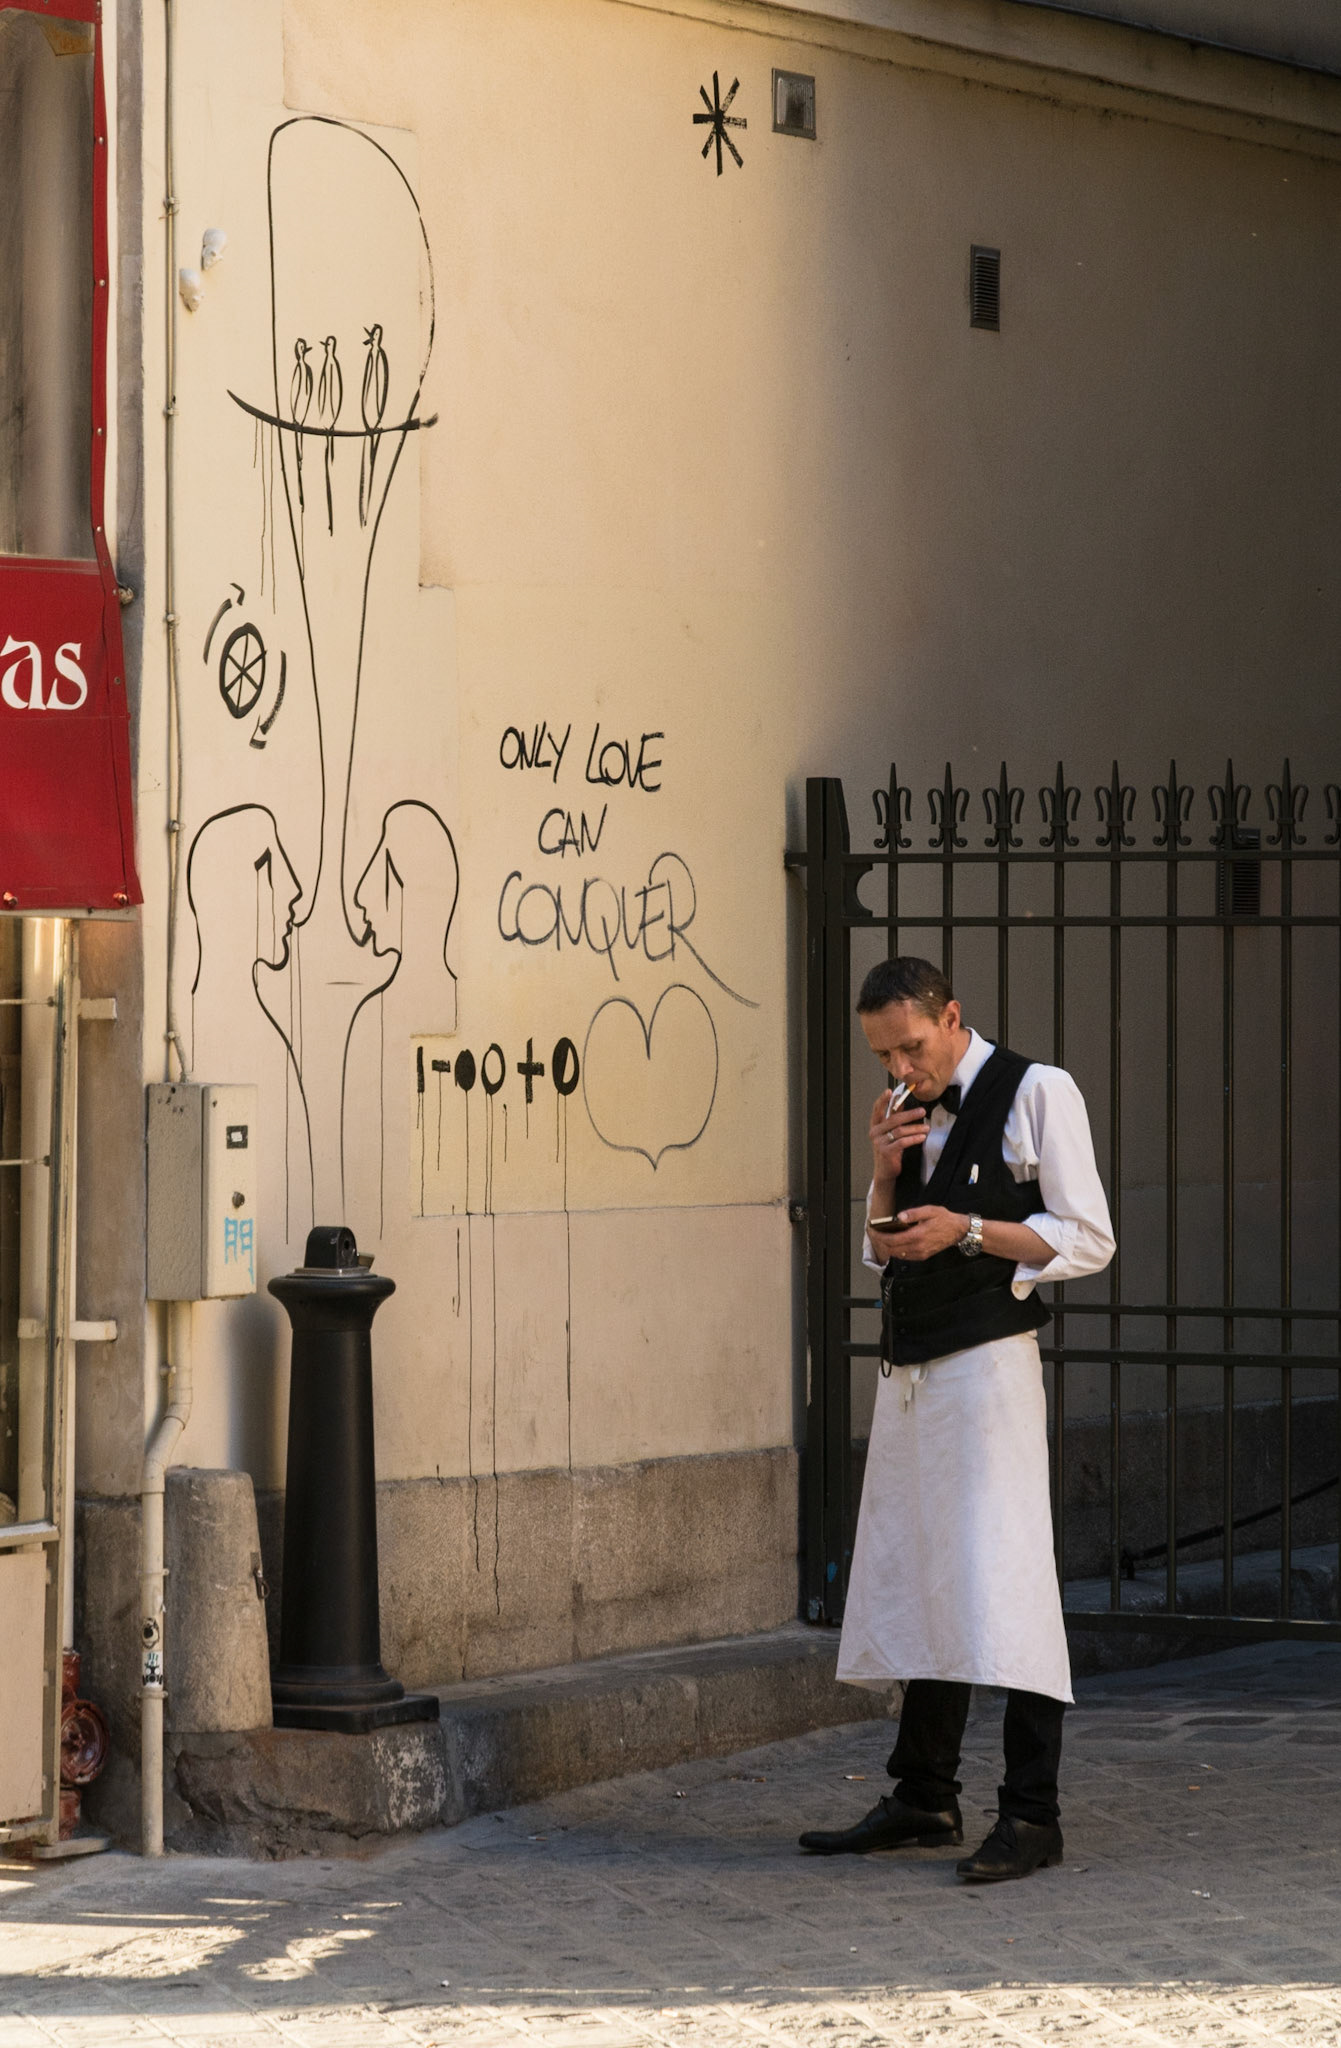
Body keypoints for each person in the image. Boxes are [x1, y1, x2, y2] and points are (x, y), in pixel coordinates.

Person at [799, 957, 1114, 1883]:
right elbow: (881, 1250)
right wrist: (882, 1171)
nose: (900, 1068)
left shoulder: (1038, 1091)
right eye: (881, 1055)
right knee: (921, 1568)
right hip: (912, 1372)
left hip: (987, 1370)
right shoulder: (906, 1107)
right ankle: (923, 1793)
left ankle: (1033, 1814)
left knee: (1004, 1581)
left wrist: (969, 1231)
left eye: (910, 1046)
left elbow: (1087, 1237)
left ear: (951, 1018)